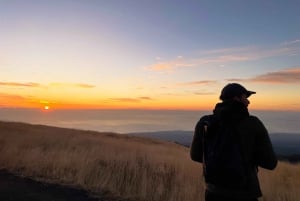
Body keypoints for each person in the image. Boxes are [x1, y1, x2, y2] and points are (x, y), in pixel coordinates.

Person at [190, 83, 277, 201]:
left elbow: (195, 155)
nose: (248, 102)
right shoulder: (253, 123)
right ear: (236, 98)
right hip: (245, 194)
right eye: (245, 97)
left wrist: (219, 159)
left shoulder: (205, 122)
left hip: (213, 192)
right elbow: (270, 163)